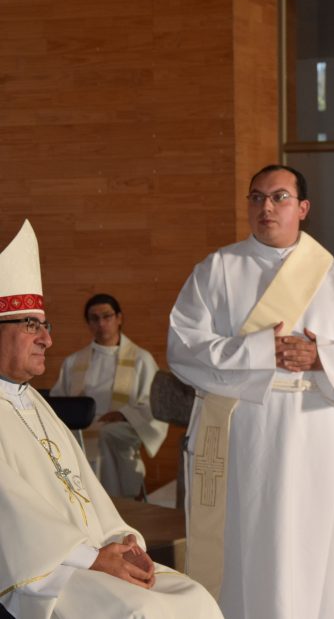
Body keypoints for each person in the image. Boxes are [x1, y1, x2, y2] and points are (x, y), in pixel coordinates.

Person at [167, 165, 334, 619]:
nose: (266, 207)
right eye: (257, 197)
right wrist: (262, 351)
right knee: (251, 546)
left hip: (320, 434)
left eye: (280, 197)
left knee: (316, 546)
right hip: (247, 435)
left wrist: (322, 358)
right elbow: (183, 348)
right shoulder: (218, 270)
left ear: (303, 208)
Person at [0, 220, 223, 619]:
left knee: (195, 597)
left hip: (87, 554)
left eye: (45, 325)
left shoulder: (31, 400)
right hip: (43, 571)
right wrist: (95, 558)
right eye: (31, 325)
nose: (47, 339)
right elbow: (13, 515)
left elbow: (85, 490)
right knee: (140, 611)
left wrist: (124, 540)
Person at [50, 293, 167, 498]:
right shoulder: (73, 362)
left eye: (107, 316)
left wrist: (124, 414)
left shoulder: (141, 359)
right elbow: (59, 402)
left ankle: (119, 502)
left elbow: (155, 404)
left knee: (107, 434)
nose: (101, 323)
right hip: (81, 431)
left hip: (121, 428)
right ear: (88, 323)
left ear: (119, 318)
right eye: (94, 318)